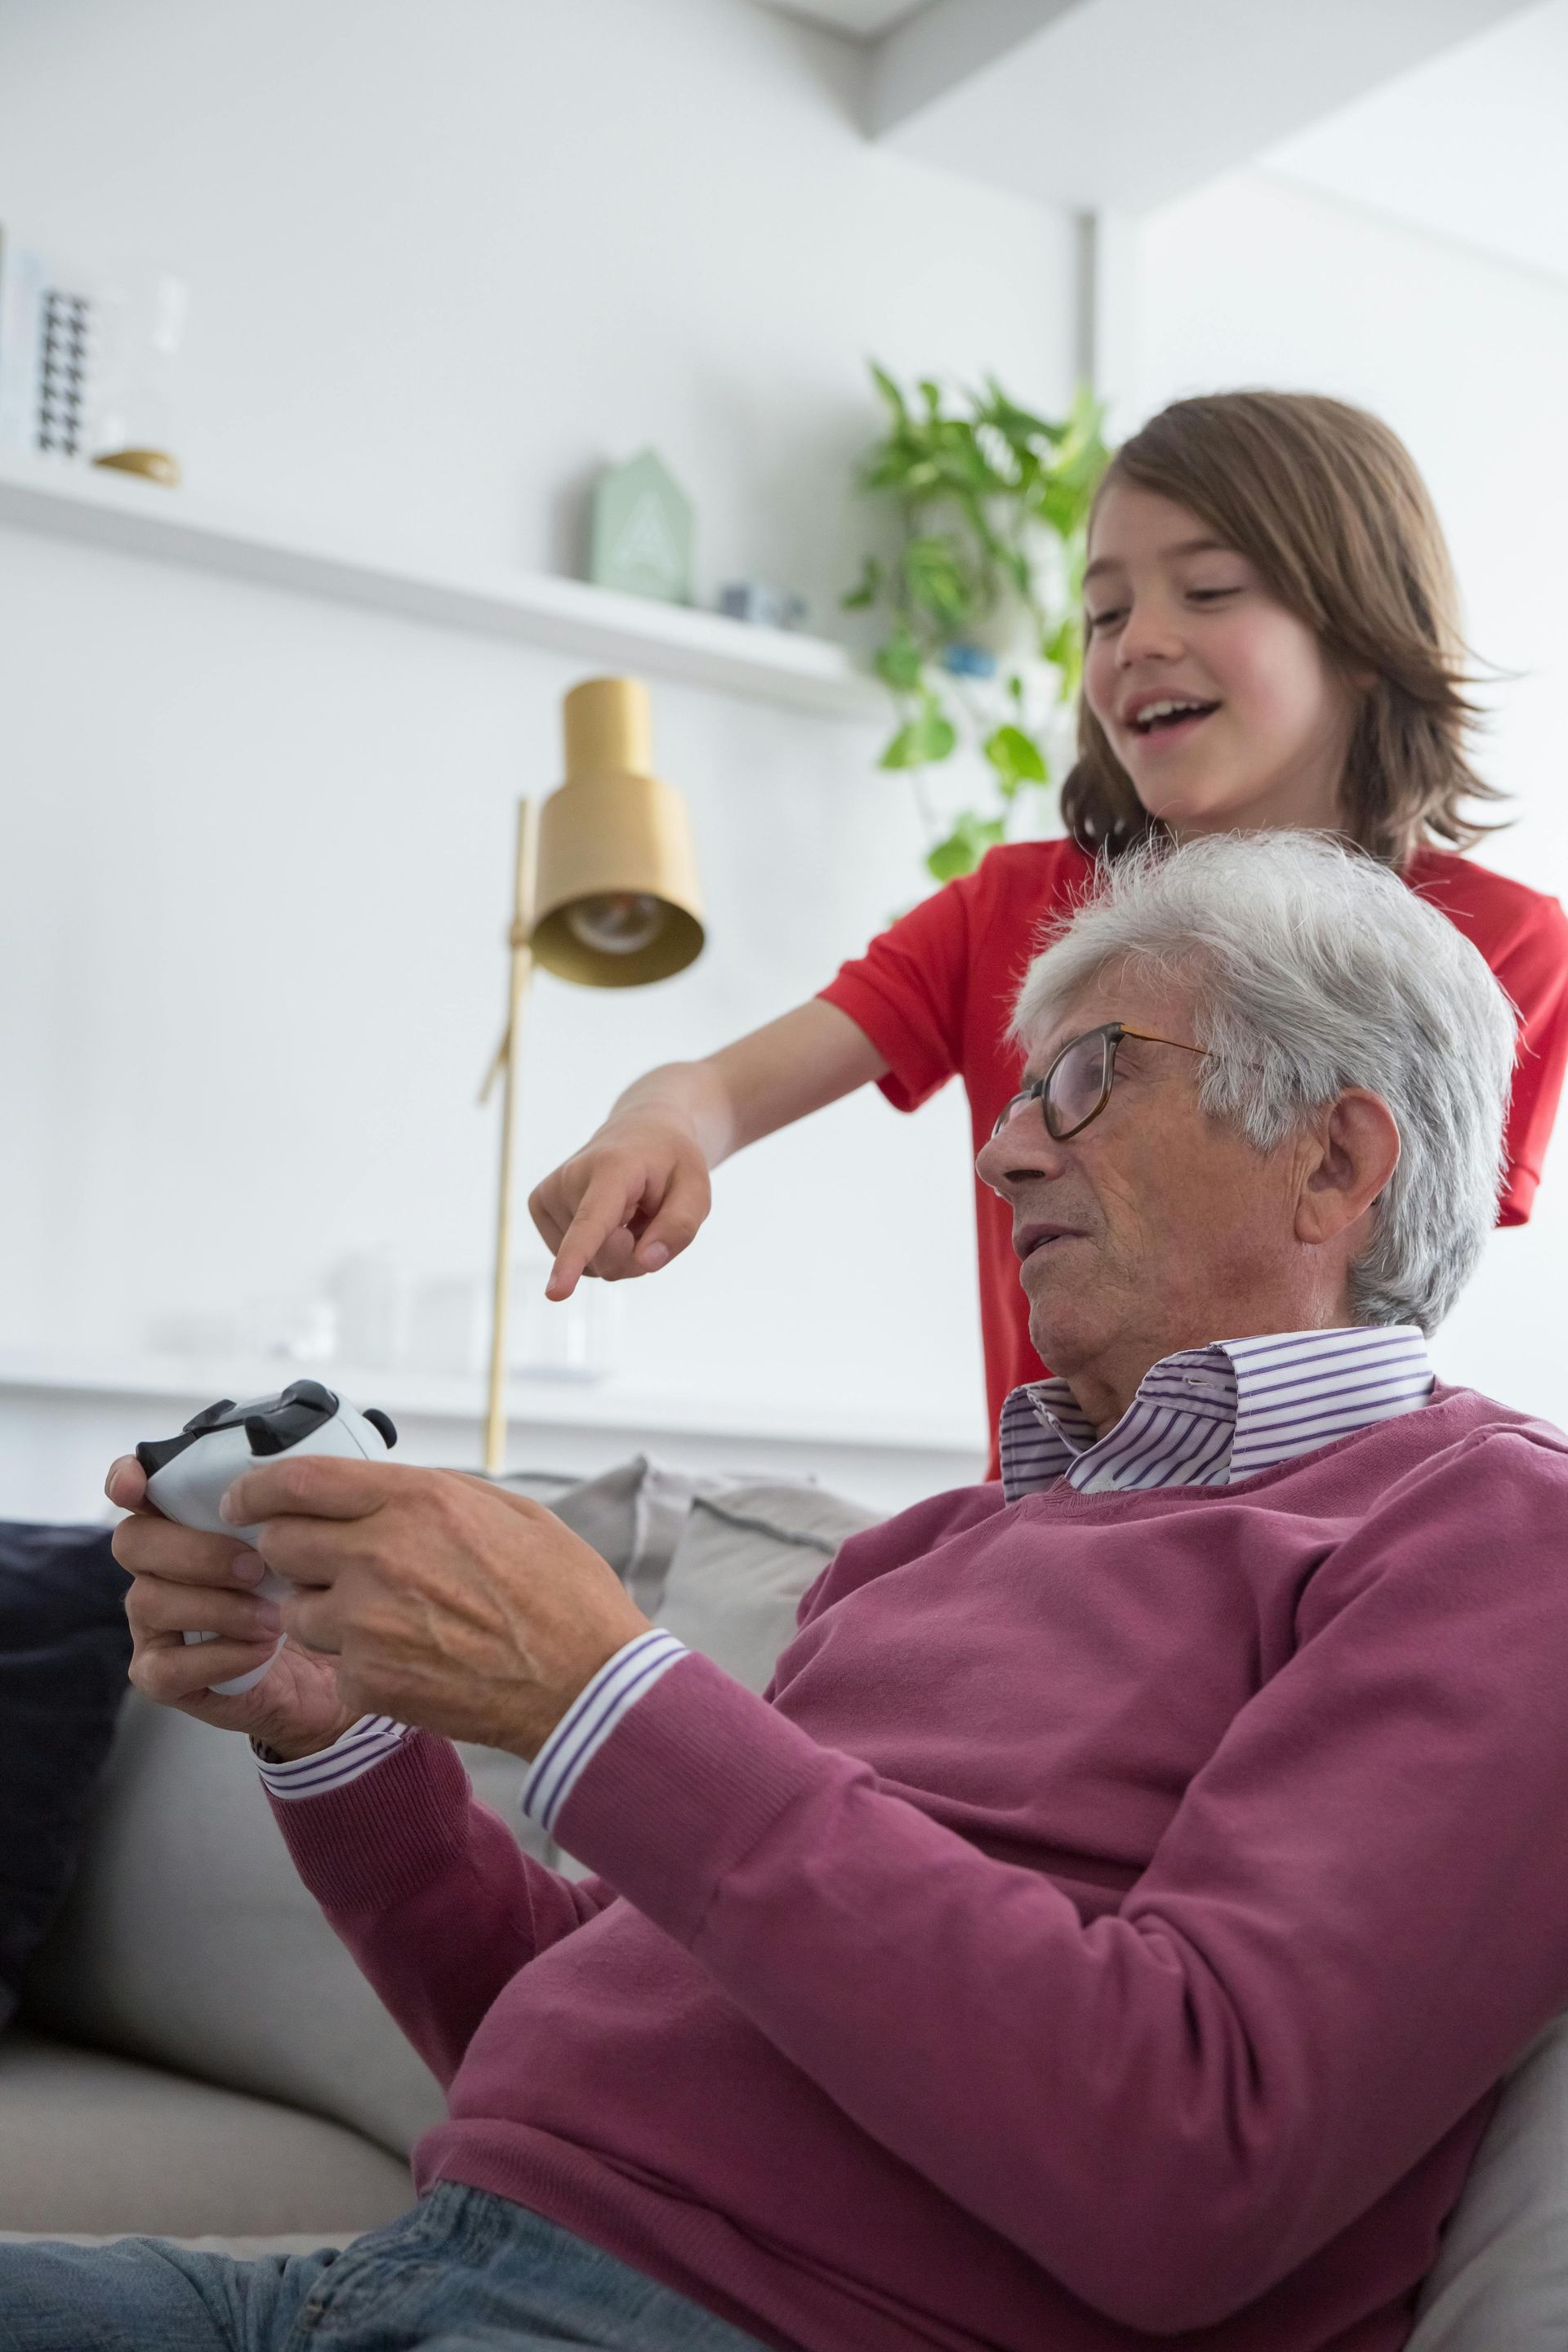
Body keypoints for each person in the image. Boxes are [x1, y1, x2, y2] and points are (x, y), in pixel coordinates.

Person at [13, 830, 1568, 2352]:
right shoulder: (926, 1553)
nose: (1004, 1146)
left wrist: (603, 1698)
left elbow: (1196, 2156)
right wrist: (336, 1732)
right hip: (396, 2278)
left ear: (1335, 1161)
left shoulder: (1487, 1537)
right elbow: (572, 2047)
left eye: (1088, 1077)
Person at [528, 391, 1568, 1473]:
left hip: (1308, 1526)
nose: (1140, 643)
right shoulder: (1013, 912)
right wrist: (652, 1130)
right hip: (1044, 1544)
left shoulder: (1496, 947)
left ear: (1361, 633)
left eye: (1208, 590)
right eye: (1105, 614)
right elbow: (716, 1092)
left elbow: (1378, 1289)